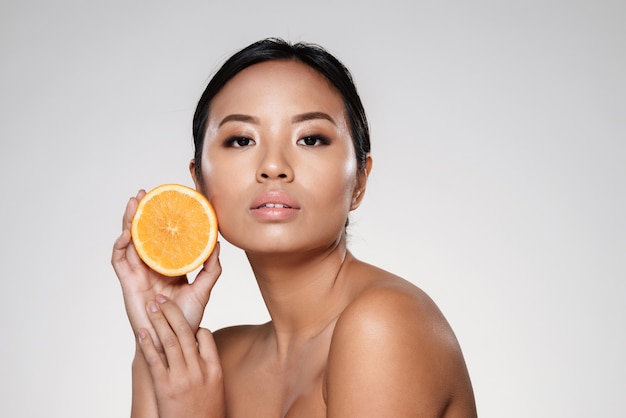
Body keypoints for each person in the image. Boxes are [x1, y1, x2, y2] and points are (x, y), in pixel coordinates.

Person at [112, 38, 477, 418]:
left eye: (311, 138)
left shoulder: (383, 325)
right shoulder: (216, 360)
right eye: (241, 140)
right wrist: (154, 342)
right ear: (200, 183)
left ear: (360, 182)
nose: (273, 165)